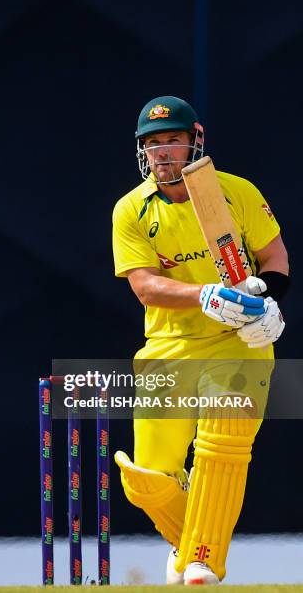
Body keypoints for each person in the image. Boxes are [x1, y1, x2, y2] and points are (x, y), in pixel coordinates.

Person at [112, 96, 289, 585]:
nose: (163, 152)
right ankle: (190, 540)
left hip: (238, 341)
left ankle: (201, 562)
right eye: (153, 145)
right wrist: (204, 294)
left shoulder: (235, 193)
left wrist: (268, 300)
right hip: (168, 347)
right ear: (142, 153)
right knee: (145, 480)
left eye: (172, 140)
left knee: (224, 442)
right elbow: (145, 285)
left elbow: (274, 258)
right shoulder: (131, 210)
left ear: (196, 140)